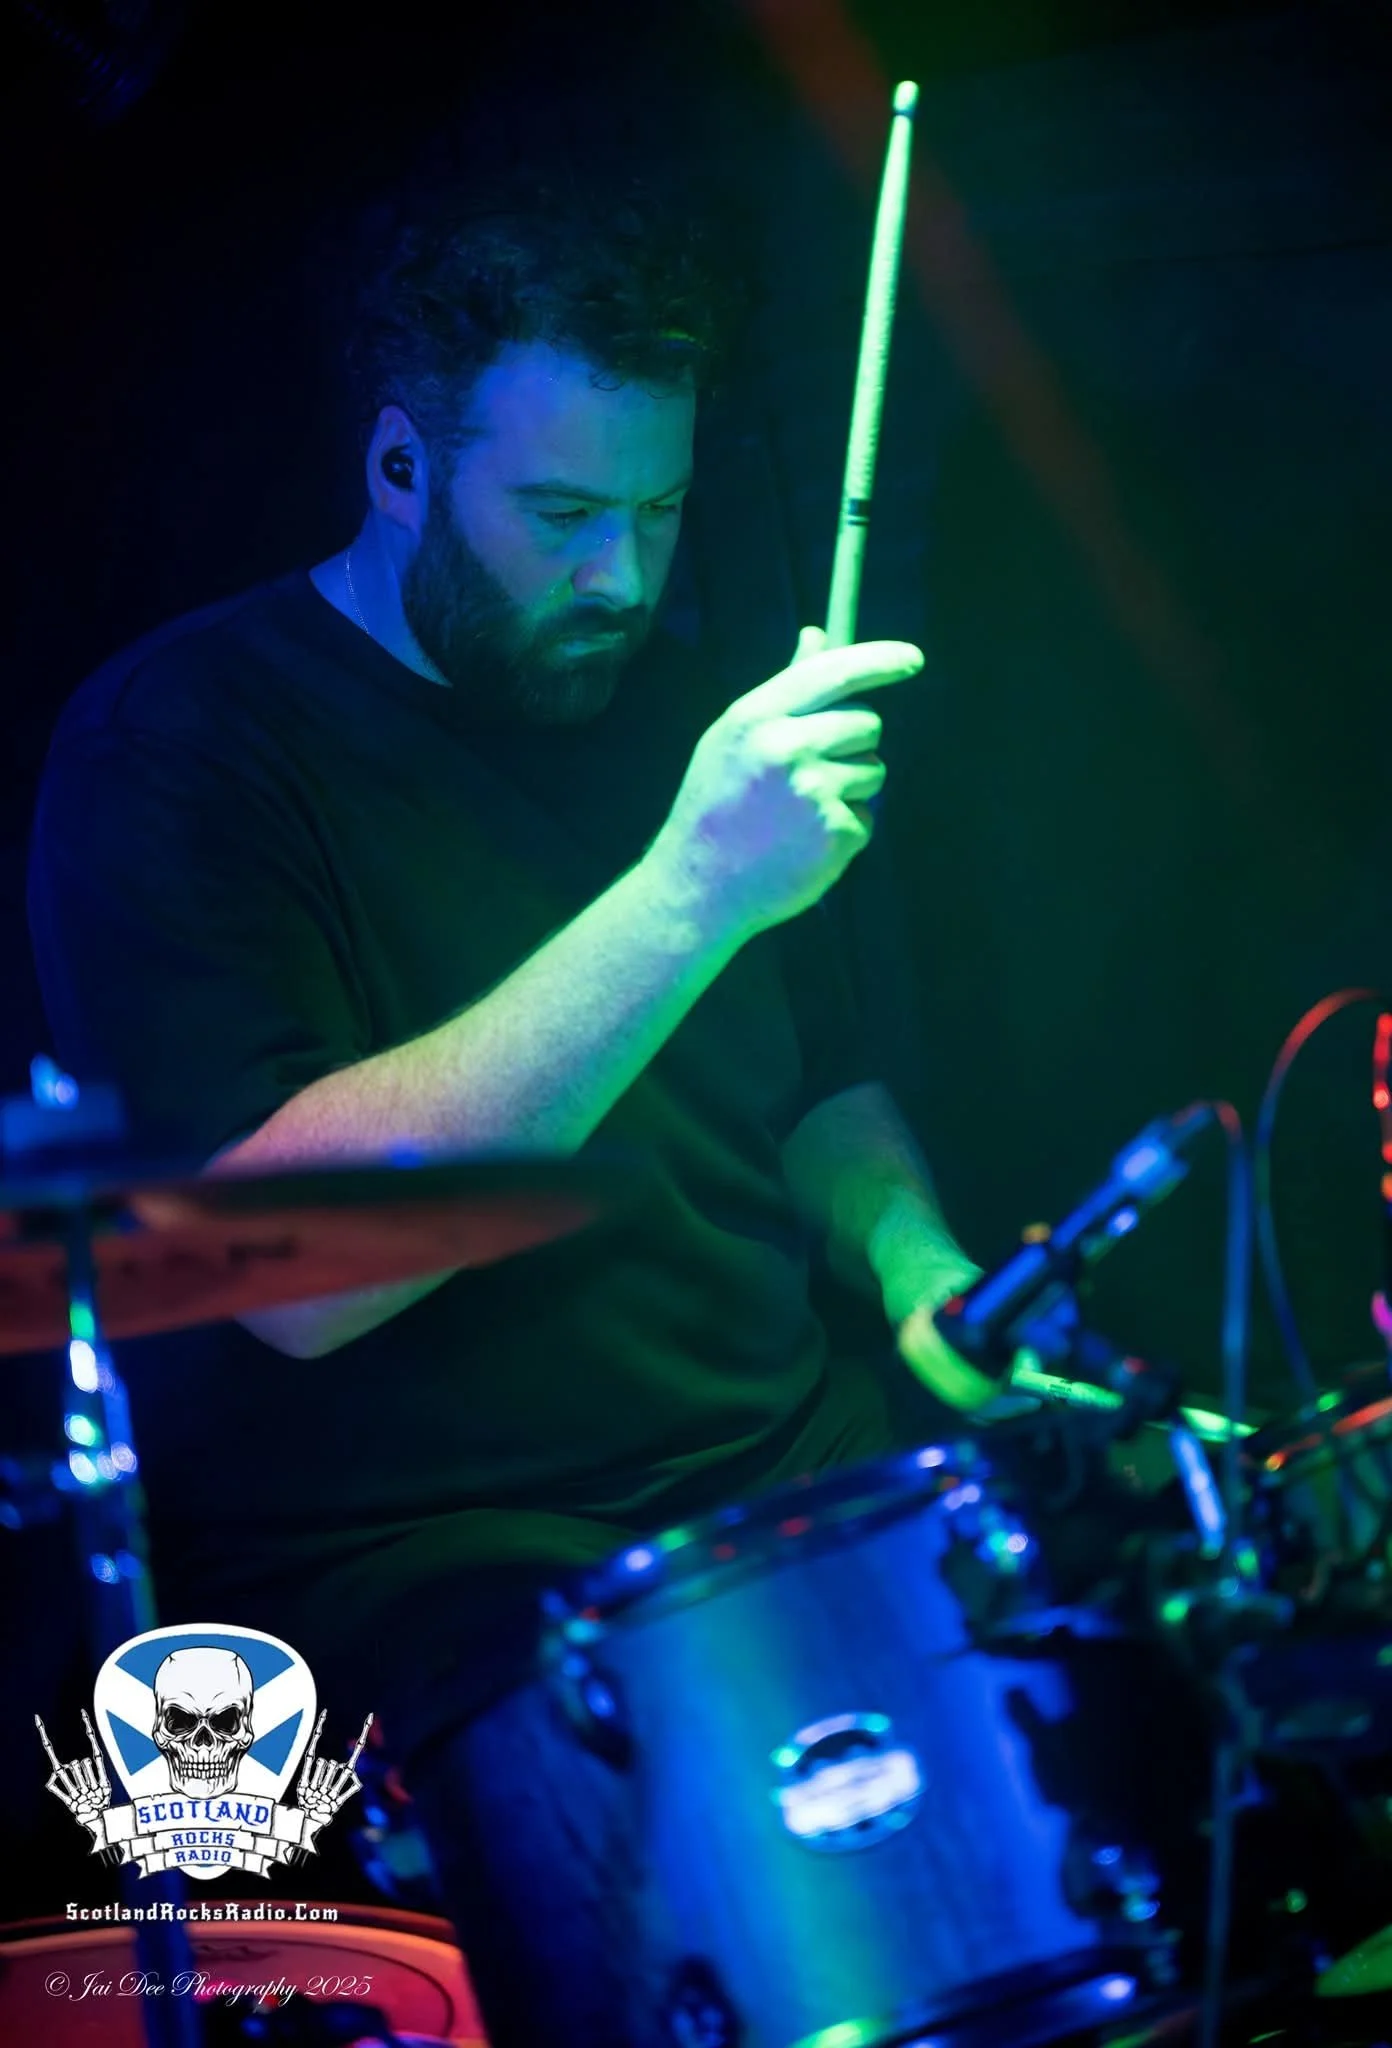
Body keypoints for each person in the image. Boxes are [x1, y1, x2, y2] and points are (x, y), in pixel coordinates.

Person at [27, 162, 990, 2036]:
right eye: (557, 514)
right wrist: (685, 889)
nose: (618, 578)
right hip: (452, 1593)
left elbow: (820, 1085)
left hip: (793, 1480)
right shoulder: (183, 749)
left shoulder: (684, 701)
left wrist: (920, 1273)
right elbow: (282, 1271)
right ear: (400, 467)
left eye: (657, 511)